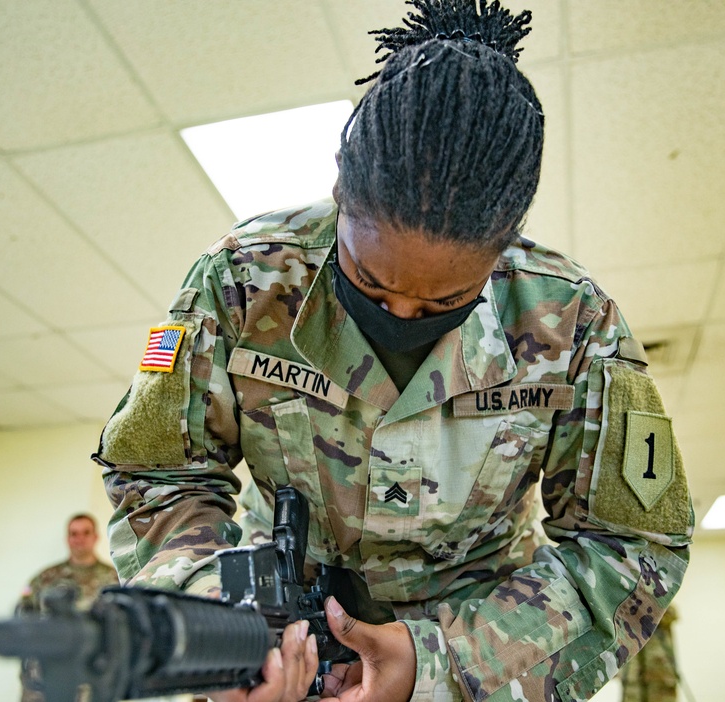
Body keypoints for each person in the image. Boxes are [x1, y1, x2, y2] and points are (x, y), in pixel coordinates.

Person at [92, 1, 693, 700]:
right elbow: (158, 475)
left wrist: (442, 663)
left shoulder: (573, 322)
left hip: (482, 660)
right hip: (286, 653)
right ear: (342, 196)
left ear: (503, 248)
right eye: (370, 286)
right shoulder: (245, 280)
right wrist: (218, 623)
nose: (402, 314)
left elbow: (633, 546)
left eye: (443, 304)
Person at [16, 513, 119, 702]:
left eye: (85, 533)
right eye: (74, 533)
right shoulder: (45, 578)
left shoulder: (113, 580)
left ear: (95, 537)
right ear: (67, 539)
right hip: (45, 676)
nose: (79, 538)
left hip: (91, 677)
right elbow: (23, 618)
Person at [618, 605, 679, 702]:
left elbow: (672, 615)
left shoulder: (659, 601)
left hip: (660, 678)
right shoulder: (624, 606)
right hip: (633, 680)